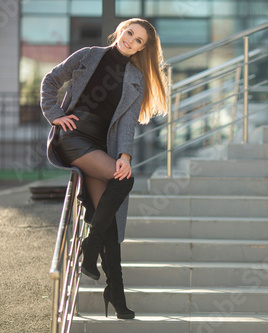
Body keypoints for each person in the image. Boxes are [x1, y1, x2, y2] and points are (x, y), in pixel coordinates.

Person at [40, 18, 167, 319]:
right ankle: (90, 246)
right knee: (123, 183)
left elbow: (126, 125)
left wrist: (124, 155)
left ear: (142, 49)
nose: (131, 41)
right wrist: (55, 114)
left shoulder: (136, 78)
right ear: (121, 30)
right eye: (130, 33)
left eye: (139, 41)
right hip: (71, 138)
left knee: (108, 216)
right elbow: (51, 80)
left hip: (99, 149)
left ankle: (116, 293)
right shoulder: (88, 55)